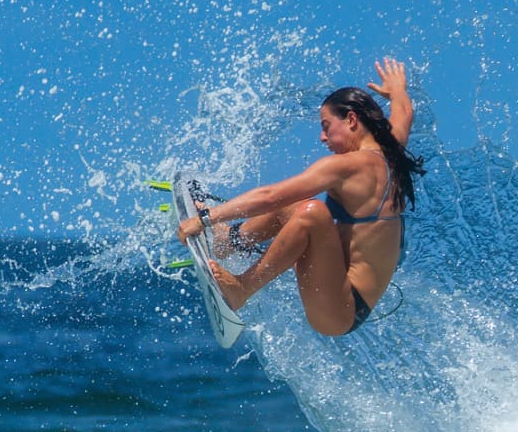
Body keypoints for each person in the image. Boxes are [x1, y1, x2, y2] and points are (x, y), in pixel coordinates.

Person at [177, 57, 424, 335]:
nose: (322, 137)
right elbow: (404, 113)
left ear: (352, 120)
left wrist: (206, 218)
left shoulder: (349, 166)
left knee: (312, 213)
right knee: (296, 207)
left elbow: (271, 196)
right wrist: (398, 91)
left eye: (326, 126)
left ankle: (242, 289)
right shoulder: (392, 149)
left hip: (341, 309)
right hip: (337, 283)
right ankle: (228, 241)